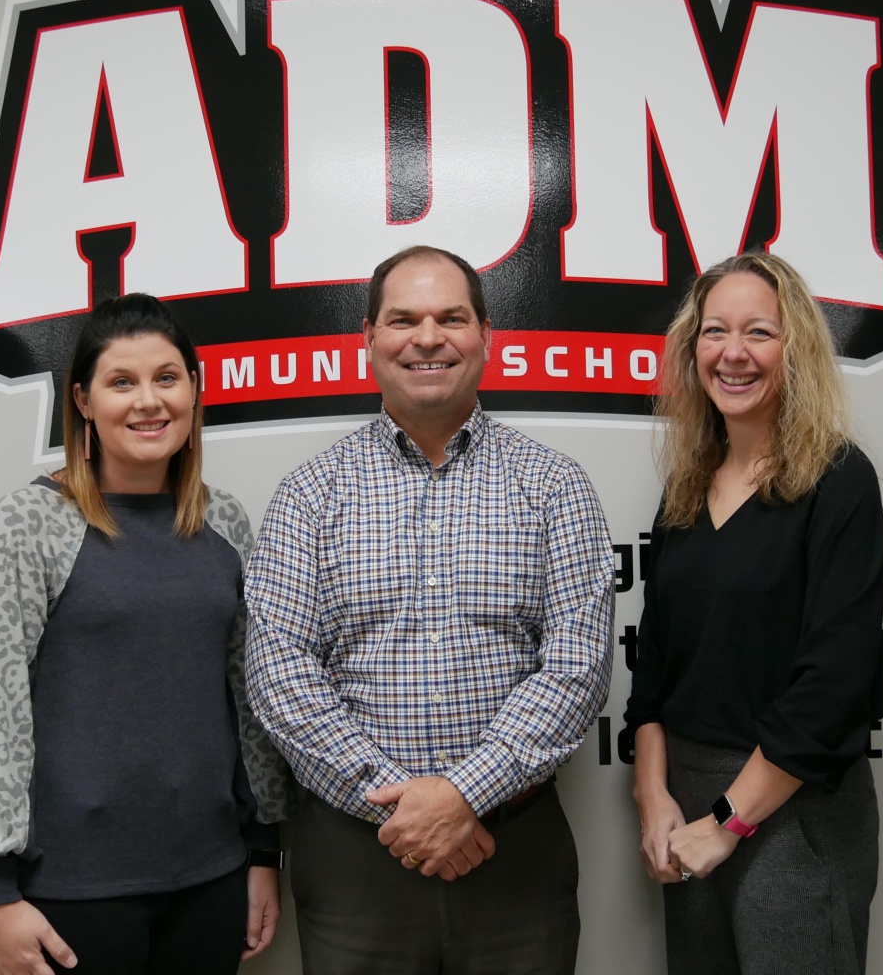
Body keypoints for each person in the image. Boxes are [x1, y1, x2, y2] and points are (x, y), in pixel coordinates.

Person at [243, 245, 615, 975]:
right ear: (368, 339)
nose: (427, 338)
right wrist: (408, 812)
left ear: (485, 336)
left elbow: (578, 667)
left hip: (515, 856)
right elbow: (279, 674)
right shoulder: (308, 495)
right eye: (402, 319)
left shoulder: (554, 486)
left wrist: (464, 796)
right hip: (355, 863)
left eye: (451, 318)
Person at [0, 293, 290, 975]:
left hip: (211, 881)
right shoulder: (28, 526)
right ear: (83, 401)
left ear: (194, 389)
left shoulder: (225, 524)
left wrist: (263, 849)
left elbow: (250, 701)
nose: (148, 401)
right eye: (121, 382)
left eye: (166, 378)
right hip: (68, 894)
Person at [623, 252, 883, 975]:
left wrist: (729, 820)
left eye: (758, 333)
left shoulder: (839, 480)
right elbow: (654, 662)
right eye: (715, 332)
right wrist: (652, 796)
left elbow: (834, 684)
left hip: (792, 807)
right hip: (688, 805)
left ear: (794, 349)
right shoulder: (687, 487)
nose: (732, 353)